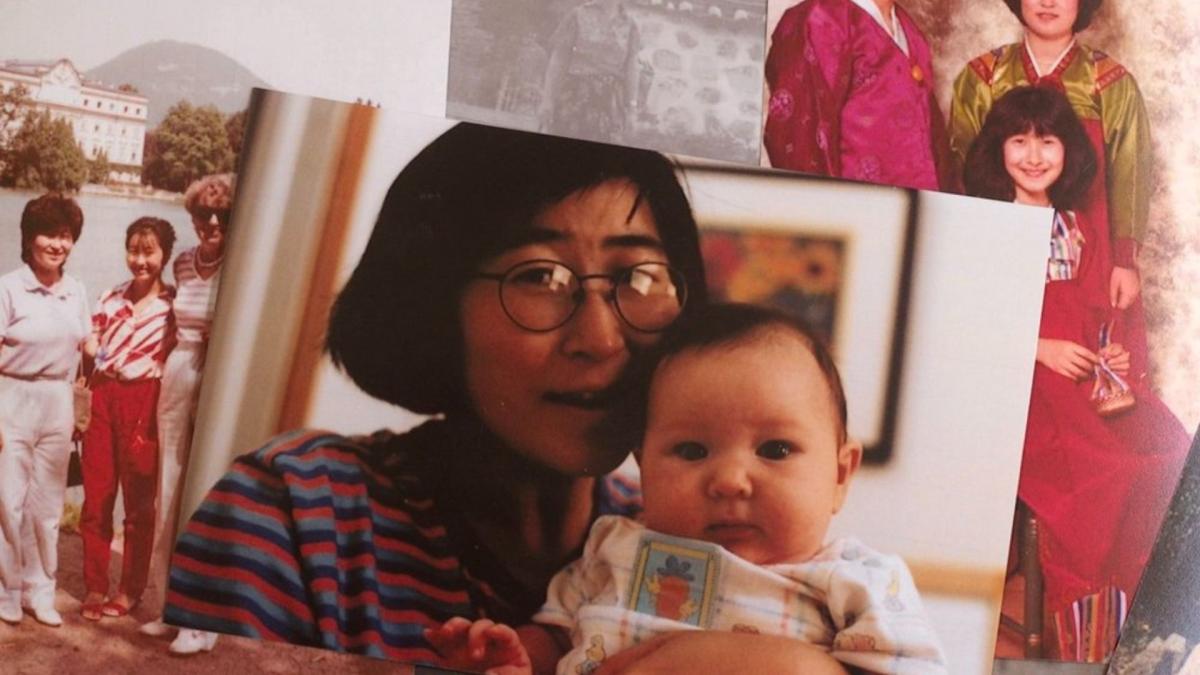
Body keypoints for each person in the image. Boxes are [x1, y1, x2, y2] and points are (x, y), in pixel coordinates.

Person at [164, 124, 852, 674]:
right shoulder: (295, 516)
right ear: (436, 303)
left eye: (641, 276)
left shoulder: (691, 536)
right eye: (541, 275)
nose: (601, 336)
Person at [427, 302, 948, 675]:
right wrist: (519, 653)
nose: (728, 480)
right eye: (692, 451)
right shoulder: (612, 548)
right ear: (643, 466)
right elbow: (561, 632)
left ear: (840, 474)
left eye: (775, 450)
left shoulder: (857, 584)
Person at [963, 85, 1189, 662]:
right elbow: (969, 319)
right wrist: (1037, 347)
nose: (1034, 155)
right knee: (1104, 474)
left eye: (1048, 141)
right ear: (998, 150)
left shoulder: (1073, 225)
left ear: (1067, 152)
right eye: (1019, 140)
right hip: (1021, 381)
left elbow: (1092, 320)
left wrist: (1108, 355)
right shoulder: (984, 222)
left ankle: (1146, 628)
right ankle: (1088, 642)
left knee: (1167, 450)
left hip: (1080, 374)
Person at [950, 0, 1148, 314]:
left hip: (1090, 254)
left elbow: (1131, 175)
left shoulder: (1111, 83)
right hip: (999, 249)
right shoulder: (983, 78)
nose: (1048, 2)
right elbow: (960, 173)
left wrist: (1124, 261)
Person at [138, 174, 233, 655]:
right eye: (202, 214)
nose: (211, 223)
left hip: (218, 382)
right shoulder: (181, 264)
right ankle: (167, 606)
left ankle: (203, 620)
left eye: (222, 215)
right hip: (180, 373)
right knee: (169, 490)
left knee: (206, 496)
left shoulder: (242, 265)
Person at [80, 217, 176, 622]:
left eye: (148, 251)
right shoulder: (110, 297)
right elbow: (89, 342)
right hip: (104, 395)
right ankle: (95, 584)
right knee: (97, 495)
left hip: (145, 402)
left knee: (138, 503)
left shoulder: (174, 305)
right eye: (133, 250)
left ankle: (130, 589)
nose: (139, 260)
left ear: (165, 255)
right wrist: (94, 348)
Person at [0, 194, 88, 627]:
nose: (58, 244)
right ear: (28, 238)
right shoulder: (8, 288)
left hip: (57, 400)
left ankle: (42, 590)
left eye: (66, 235)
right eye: (50, 233)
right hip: (12, 397)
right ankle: (7, 591)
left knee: (47, 506)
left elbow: (87, 350)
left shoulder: (77, 291)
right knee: (8, 502)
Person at [763, 0, 948, 191]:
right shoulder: (820, 20)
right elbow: (802, 147)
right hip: (857, 210)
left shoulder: (910, 31)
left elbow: (936, 150)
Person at [540, 0, 640, 144]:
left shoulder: (630, 25)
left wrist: (632, 108)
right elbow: (559, 59)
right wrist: (547, 100)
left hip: (610, 103)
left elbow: (632, 68)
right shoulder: (578, 14)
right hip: (575, 96)